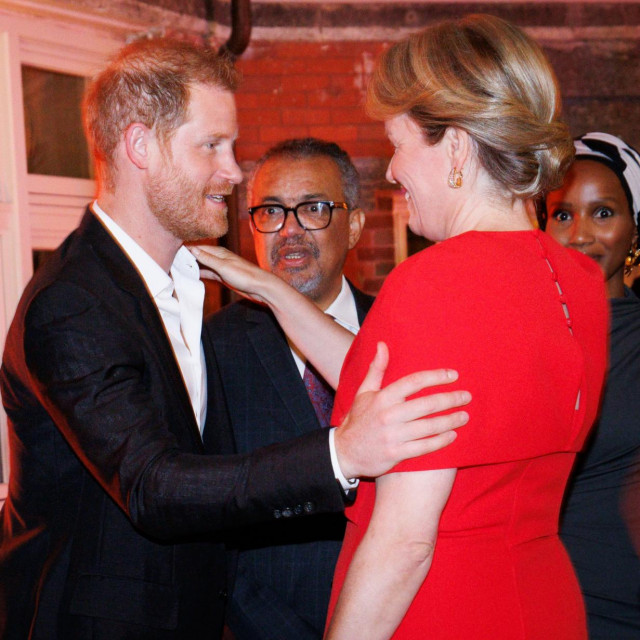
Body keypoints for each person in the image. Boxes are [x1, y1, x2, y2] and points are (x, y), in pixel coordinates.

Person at [0, 38, 472, 640]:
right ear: (140, 146)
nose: (232, 171)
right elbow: (154, 485)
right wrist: (342, 454)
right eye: (211, 146)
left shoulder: (188, 285)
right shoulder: (72, 303)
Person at [192, 14, 609, 639]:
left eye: (399, 143)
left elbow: (405, 542)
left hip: (443, 610)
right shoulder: (579, 281)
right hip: (543, 603)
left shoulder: (435, 282)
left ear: (459, 148)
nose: (391, 171)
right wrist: (272, 292)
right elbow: (392, 389)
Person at [205, 138, 374, 640]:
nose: (291, 230)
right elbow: (208, 515)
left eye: (314, 209)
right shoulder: (211, 348)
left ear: (356, 226)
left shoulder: (399, 330)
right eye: (272, 211)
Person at [541, 132, 640, 638]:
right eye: (562, 214)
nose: (580, 234)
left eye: (603, 213)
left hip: (620, 607)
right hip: (530, 598)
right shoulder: (520, 333)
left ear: (634, 229)